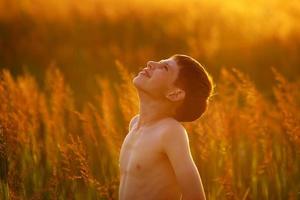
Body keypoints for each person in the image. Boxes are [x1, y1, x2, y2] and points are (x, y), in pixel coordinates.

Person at [119, 54, 214, 200]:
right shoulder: (134, 124)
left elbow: (196, 196)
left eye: (164, 67)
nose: (150, 62)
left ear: (175, 93)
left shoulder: (170, 132)